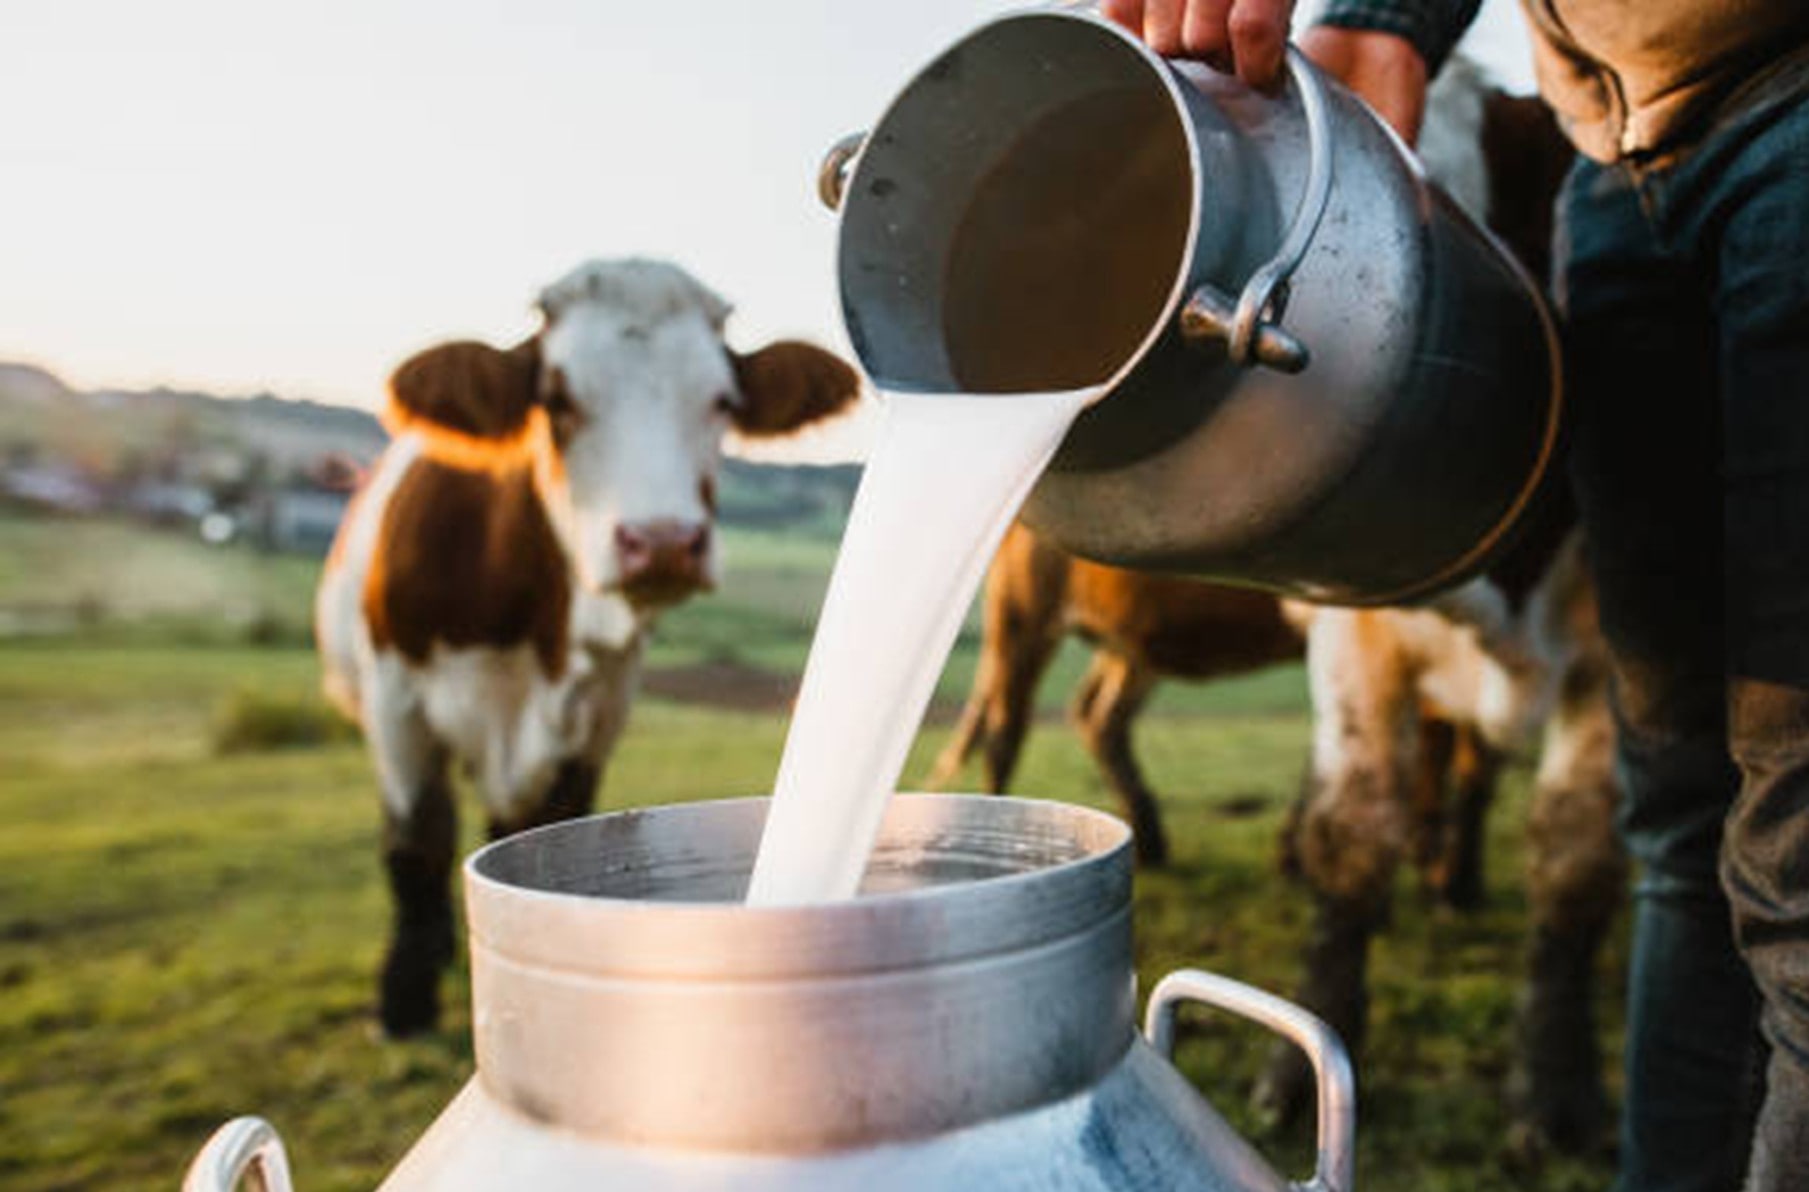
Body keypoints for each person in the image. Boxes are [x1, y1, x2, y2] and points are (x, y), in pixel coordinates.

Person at [1098, 1, 1809, 1189]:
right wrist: (1394, 18)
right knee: (1685, 808)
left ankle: (1567, 1038)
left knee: (1793, 827)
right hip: (1616, 163)